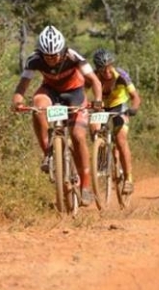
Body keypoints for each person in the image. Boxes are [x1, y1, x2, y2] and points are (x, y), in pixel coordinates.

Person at [11, 26, 103, 206]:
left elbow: (95, 81)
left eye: (55, 55)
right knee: (38, 105)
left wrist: (98, 100)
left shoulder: (73, 56)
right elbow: (22, 85)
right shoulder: (34, 59)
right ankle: (48, 152)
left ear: (62, 50)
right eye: (47, 56)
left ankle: (85, 185)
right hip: (51, 91)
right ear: (41, 52)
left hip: (75, 93)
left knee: (77, 136)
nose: (51, 60)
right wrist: (17, 100)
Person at [90, 48, 142, 195]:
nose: (106, 72)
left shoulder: (121, 75)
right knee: (94, 127)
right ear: (97, 69)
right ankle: (100, 157)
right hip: (102, 107)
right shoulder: (93, 76)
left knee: (120, 140)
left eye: (108, 68)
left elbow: (135, 96)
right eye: (102, 69)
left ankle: (128, 179)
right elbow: (82, 93)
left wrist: (134, 108)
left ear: (112, 65)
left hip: (120, 107)